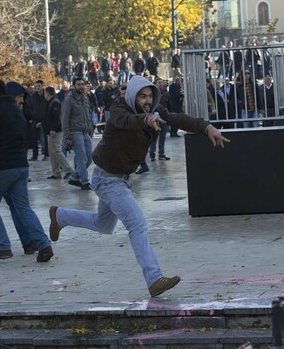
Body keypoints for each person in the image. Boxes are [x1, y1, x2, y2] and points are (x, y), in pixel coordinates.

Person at [48, 76, 229, 297]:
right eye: (143, 96)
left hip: (121, 178)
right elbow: (126, 121)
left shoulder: (157, 110)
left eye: (150, 96)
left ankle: (60, 216)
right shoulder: (118, 109)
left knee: (103, 224)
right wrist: (146, 120)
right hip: (107, 179)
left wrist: (207, 127)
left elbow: (177, 119)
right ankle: (154, 278)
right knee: (138, 224)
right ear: (133, 95)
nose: (147, 100)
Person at [0, 78, 54, 263]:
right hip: (20, 165)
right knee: (23, 207)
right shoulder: (17, 110)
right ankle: (44, 243)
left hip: (0, 166)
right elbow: (27, 136)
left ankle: (2, 246)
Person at [61, 77, 94, 190]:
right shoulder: (69, 99)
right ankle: (85, 182)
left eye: (82, 84)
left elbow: (88, 115)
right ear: (74, 86)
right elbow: (64, 118)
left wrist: (90, 129)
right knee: (81, 158)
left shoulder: (85, 98)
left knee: (89, 157)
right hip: (75, 132)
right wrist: (67, 136)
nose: (81, 86)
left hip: (85, 132)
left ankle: (75, 177)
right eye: (78, 84)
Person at [43, 86, 74, 180]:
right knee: (52, 152)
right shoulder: (50, 102)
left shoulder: (55, 102)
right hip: (51, 130)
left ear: (48, 93)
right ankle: (56, 173)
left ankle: (68, 170)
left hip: (56, 131)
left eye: (45, 92)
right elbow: (49, 117)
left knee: (56, 150)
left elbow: (57, 118)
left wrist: (53, 129)